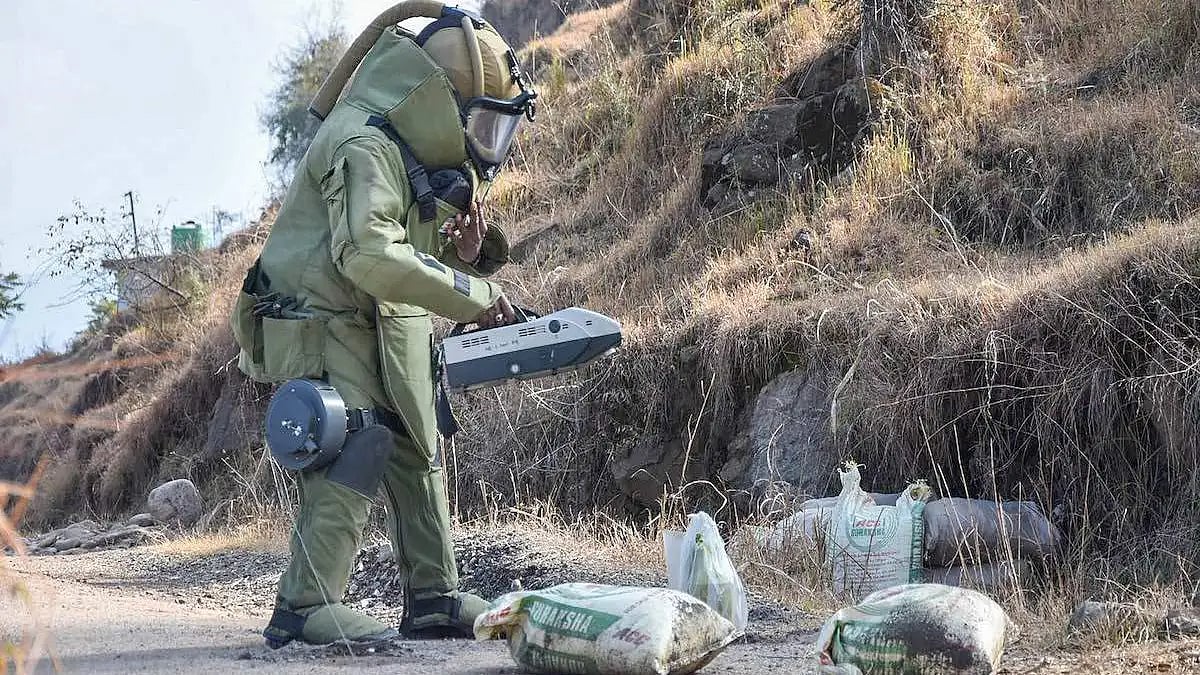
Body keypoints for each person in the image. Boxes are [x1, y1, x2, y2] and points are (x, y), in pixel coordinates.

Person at [228, 1, 536, 647]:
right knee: (357, 434)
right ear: (438, 101)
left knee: (416, 439)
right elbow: (367, 252)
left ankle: (433, 595)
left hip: (375, 314)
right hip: (320, 317)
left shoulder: (409, 149)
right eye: (482, 124)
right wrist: (473, 292)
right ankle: (303, 606)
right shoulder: (364, 142)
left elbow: (405, 252)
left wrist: (467, 256)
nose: (489, 146)